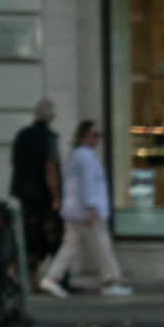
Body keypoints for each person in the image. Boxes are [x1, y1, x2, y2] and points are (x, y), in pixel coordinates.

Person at [41, 119, 132, 299]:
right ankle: (109, 282)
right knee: (102, 246)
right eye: (94, 134)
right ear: (83, 135)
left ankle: (51, 278)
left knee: (70, 246)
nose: (97, 138)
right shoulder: (85, 156)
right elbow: (89, 184)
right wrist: (92, 208)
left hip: (76, 211)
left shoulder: (77, 154)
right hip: (86, 212)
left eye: (99, 134)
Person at [10, 98, 62, 281]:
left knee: (24, 237)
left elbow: (13, 162)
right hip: (42, 198)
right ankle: (48, 278)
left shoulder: (22, 135)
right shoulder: (49, 138)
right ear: (51, 116)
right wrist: (56, 198)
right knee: (49, 238)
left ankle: (15, 274)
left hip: (21, 194)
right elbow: (51, 170)